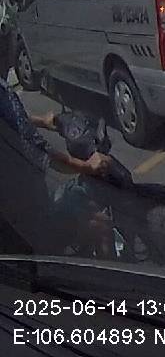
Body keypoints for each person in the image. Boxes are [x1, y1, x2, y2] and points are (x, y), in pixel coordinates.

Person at [0, 81, 113, 255]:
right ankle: (105, 273)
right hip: (27, 221)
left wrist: (42, 121)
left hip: (14, 219)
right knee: (101, 226)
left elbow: (11, 119)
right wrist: (88, 166)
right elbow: (42, 152)